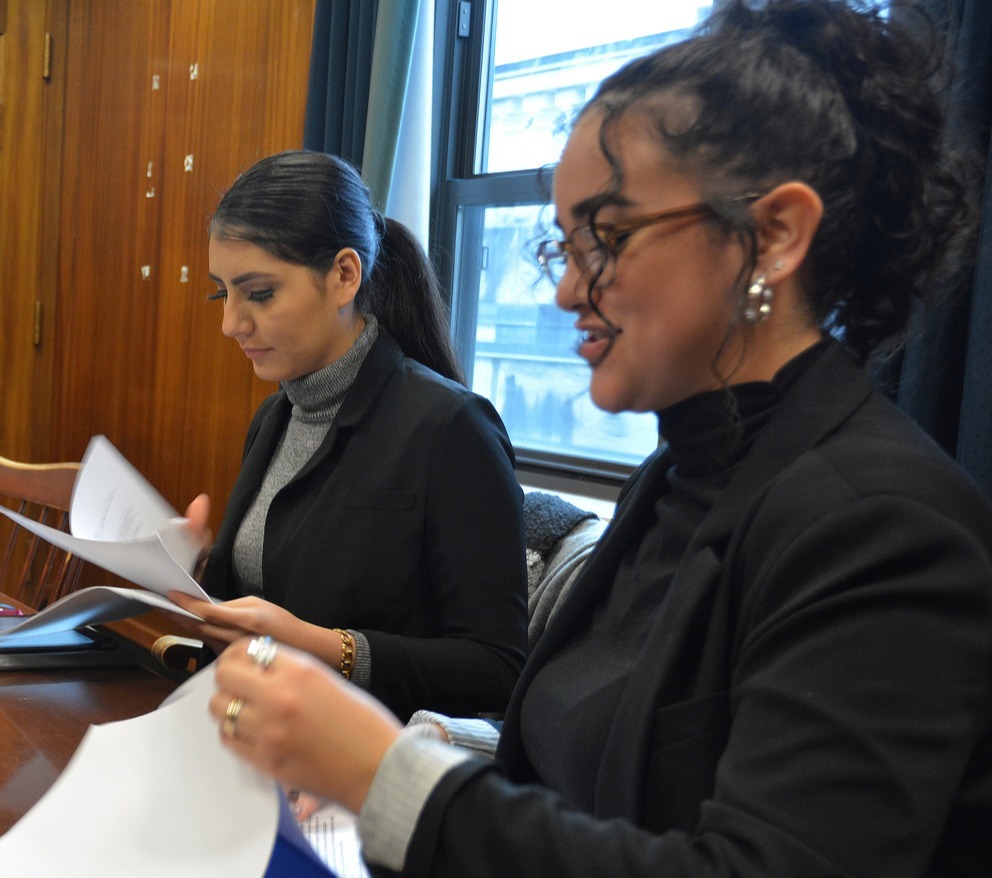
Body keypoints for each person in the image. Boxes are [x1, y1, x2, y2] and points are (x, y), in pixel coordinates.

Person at [206, 2, 992, 875]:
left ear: (774, 236)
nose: (565, 292)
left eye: (608, 238)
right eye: (565, 246)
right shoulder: (682, 478)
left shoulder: (884, 529)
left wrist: (389, 776)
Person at [169, 150, 527, 723]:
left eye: (258, 293)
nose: (231, 323)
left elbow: (498, 671)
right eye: (222, 293)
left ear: (343, 275)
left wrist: (326, 647)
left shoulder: (450, 428)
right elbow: (275, 595)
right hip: (256, 737)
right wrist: (197, 572)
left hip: (364, 772)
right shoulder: (276, 417)